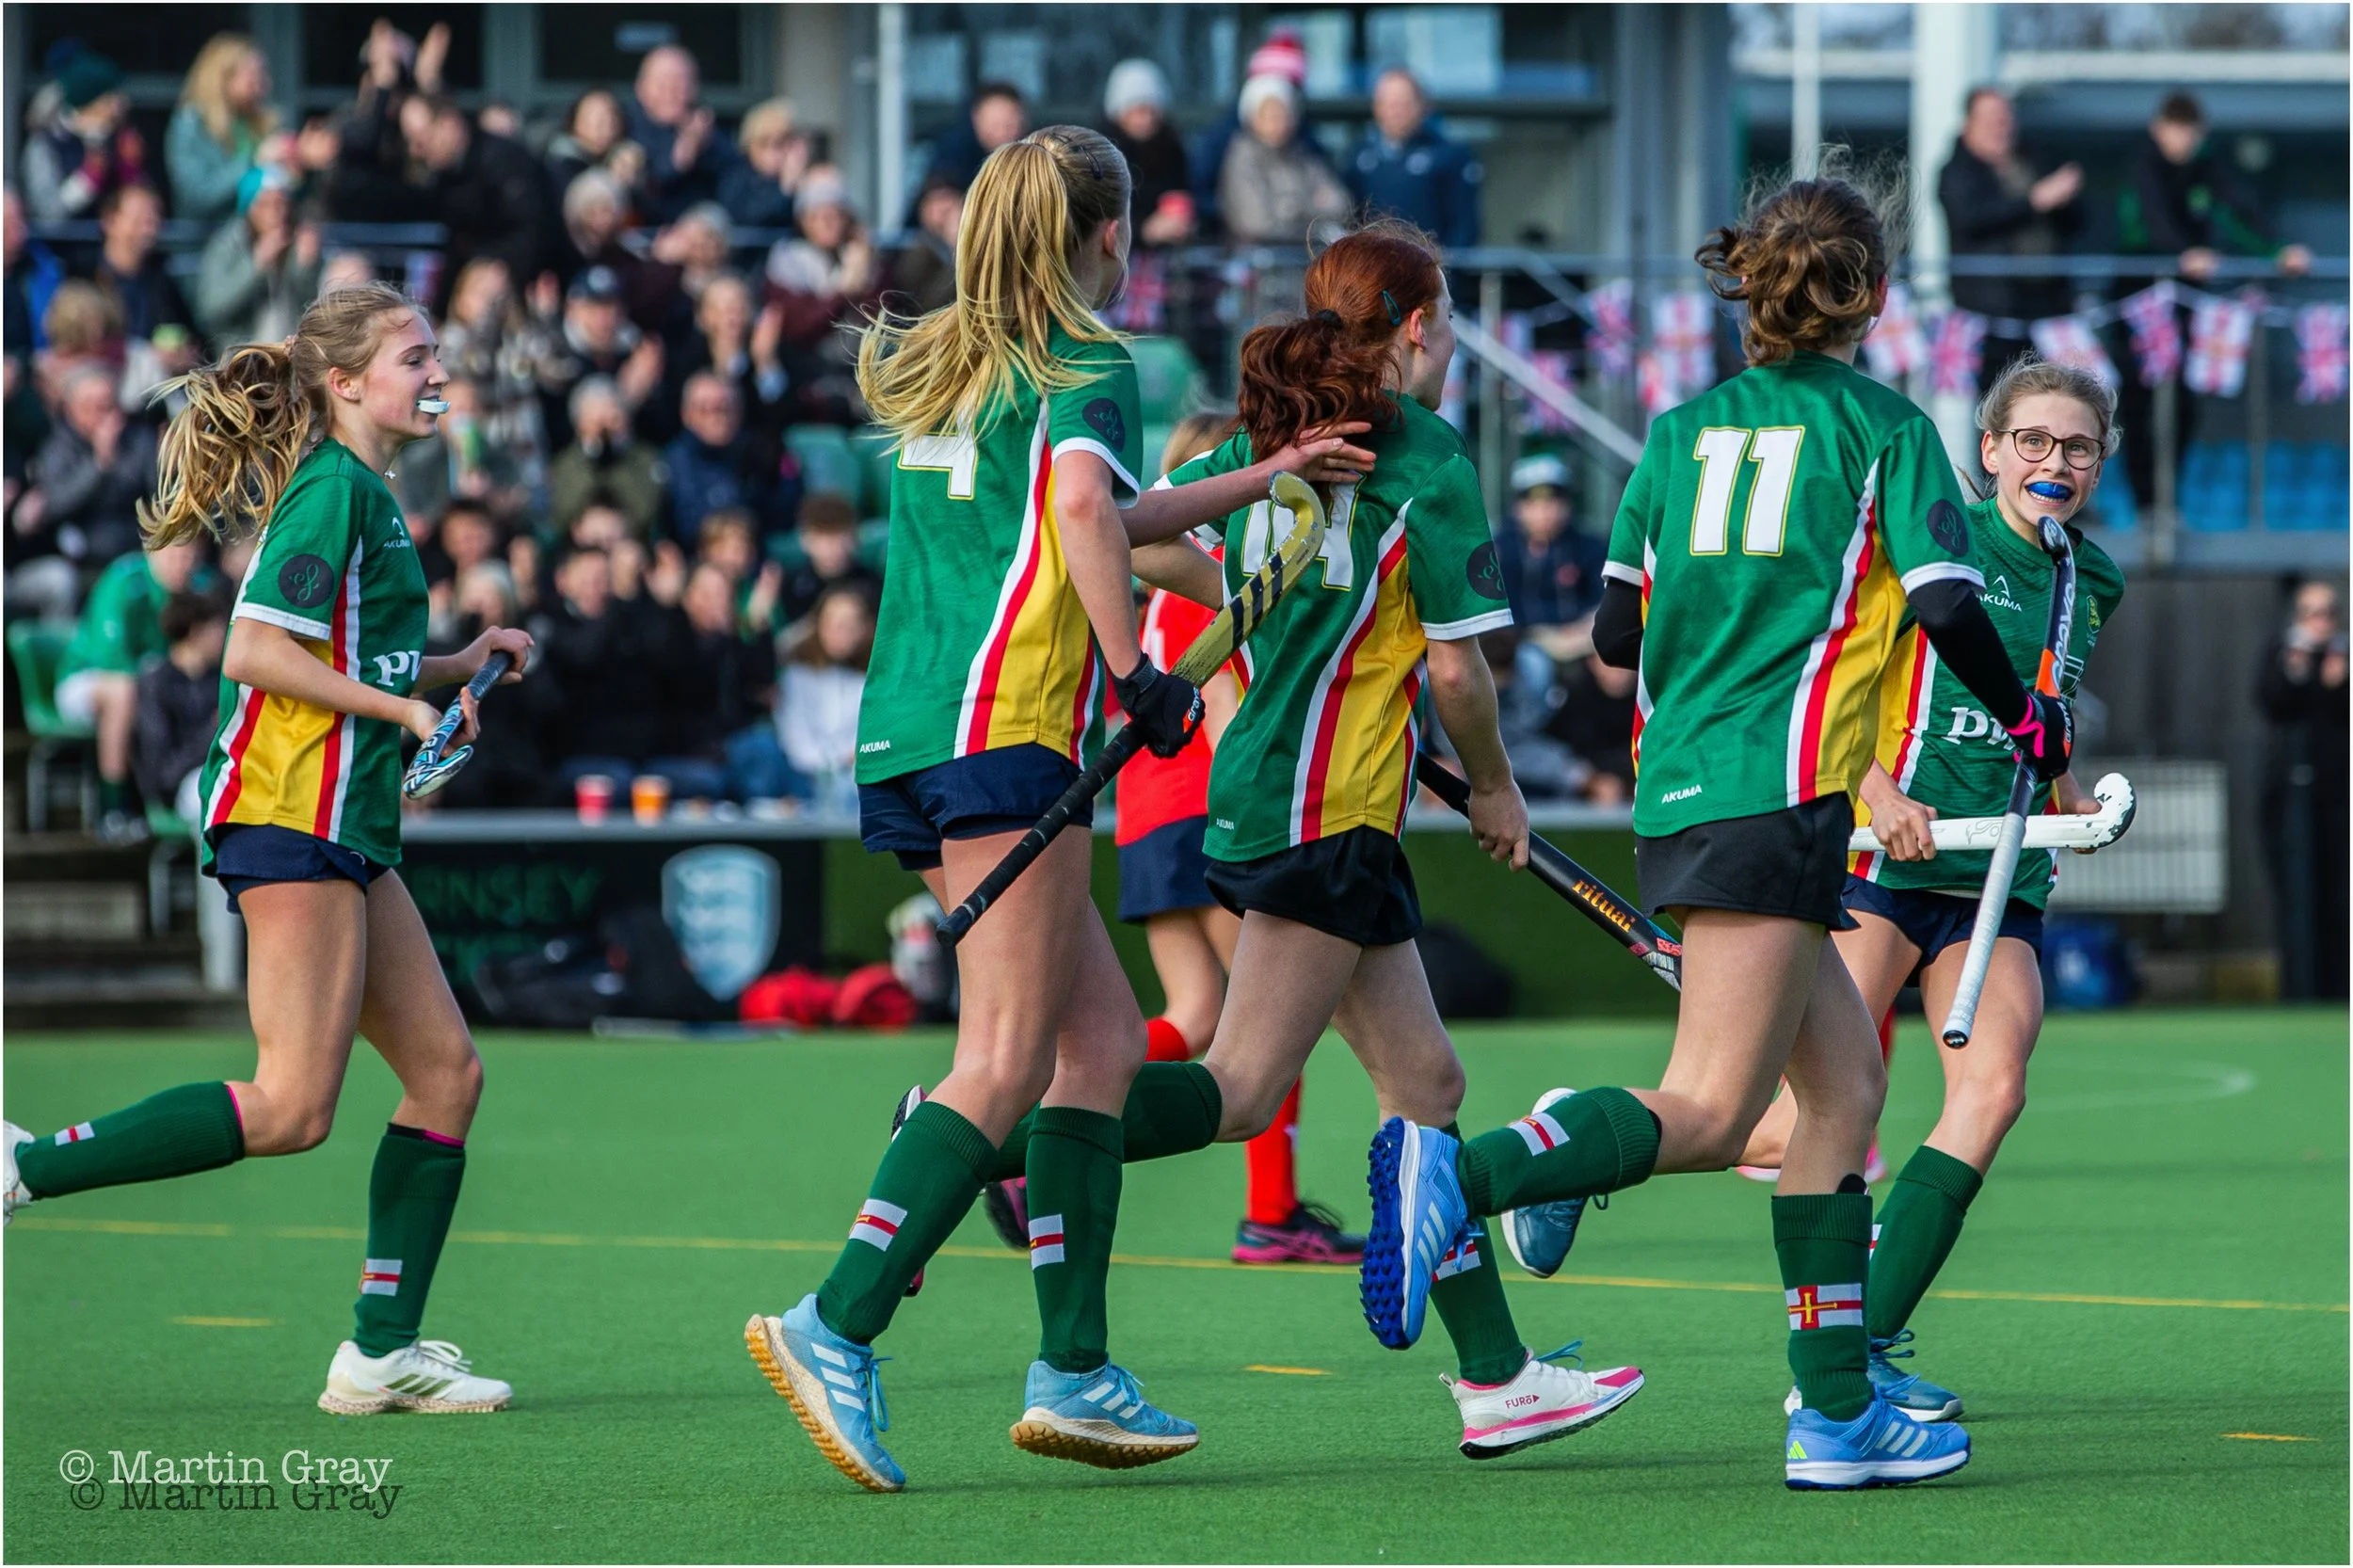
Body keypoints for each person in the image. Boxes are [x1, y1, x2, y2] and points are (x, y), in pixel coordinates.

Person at [746, 124, 1374, 1494]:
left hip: (909, 731)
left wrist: (1268, 480)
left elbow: (1104, 508)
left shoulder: (947, 367)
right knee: (1009, 1056)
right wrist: (1138, 668)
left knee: (1095, 1048)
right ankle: (835, 1321)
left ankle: (1076, 1366)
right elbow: (1090, 514)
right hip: (1006, 731)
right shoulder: (1091, 362)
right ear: (1107, 235)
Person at [1422, 171, 2073, 1490]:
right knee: (1718, 1108)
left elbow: (1615, 636)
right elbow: (1949, 609)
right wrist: (2031, 720)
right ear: (1875, 298)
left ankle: (1836, 1413)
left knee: (1844, 1092)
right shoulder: (1888, 430)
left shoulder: (1674, 432)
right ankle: (1460, 1178)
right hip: (1776, 795)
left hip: (1682, 787)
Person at [2, 281, 536, 1420]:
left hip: (342, 819)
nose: (437, 372)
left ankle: (379, 1355)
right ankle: (21, 1166)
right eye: (416, 355)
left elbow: (354, 654)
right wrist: (399, 716)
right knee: (293, 1106)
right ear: (345, 383)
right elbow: (252, 649)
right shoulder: (333, 491)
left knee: (447, 1075)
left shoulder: (370, 493)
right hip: (293, 811)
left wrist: (453, 667)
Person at [1734, 355, 2126, 1424]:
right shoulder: (1929, 537)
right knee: (1782, 1117)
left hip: (1997, 874)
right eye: (2033, 442)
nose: (2055, 462)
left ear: (2101, 462)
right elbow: (1826, 676)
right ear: (1991, 449)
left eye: (2077, 446)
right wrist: (1870, 786)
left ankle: (1862, 1347)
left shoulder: (2090, 580)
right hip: (1878, 859)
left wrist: (2070, 801)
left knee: (1992, 1088)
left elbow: (2039, 715)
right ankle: (1587, 1148)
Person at [1117, 410, 1364, 1266]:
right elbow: (1227, 709)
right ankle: (1271, 1213)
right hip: (1202, 805)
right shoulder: (1219, 573)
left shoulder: (1159, 582)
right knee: (1275, 1016)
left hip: (1145, 814)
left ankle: (1030, 1111)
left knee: (1194, 1015)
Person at [2116, 90, 2314, 511]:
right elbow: (2148, 222)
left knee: (2185, 401)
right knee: (2138, 400)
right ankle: (2142, 500)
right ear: (2158, 130)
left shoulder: (2207, 169)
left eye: (2190, 133)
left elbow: (2238, 211)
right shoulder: (2142, 168)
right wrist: (2179, 255)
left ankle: (2165, 495)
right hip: (2137, 302)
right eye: (2176, 132)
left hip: (2185, 302)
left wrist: (2278, 250)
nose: (2182, 142)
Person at [55, 535, 202, 840]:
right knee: (126, 691)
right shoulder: (125, 580)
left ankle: (153, 802)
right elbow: (113, 660)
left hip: (146, 682)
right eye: (176, 554)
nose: (183, 563)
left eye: (190, 555)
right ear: (155, 550)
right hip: (86, 679)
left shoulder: (196, 585)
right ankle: (113, 808)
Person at [1938, 87, 2084, 389]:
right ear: (1969, 124)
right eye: (1991, 118)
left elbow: (2077, 223)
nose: (2001, 126)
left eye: (2005, 117)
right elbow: (1973, 218)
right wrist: (2035, 201)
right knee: (2000, 402)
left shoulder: (2036, 159)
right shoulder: (1956, 171)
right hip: (1990, 314)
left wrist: (2065, 199)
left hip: (2047, 307)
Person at [2256, 579, 2349, 1000]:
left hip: (2338, 798)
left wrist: (2337, 685)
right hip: (2290, 797)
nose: (2320, 622)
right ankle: (2300, 988)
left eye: (2327, 612)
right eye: (2311, 613)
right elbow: (2271, 701)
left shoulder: (2343, 657)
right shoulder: (2282, 654)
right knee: (2297, 893)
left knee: (2339, 895)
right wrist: (2298, 673)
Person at [398, 96, 555, 307]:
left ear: (448, 124)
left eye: (422, 139)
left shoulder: (504, 160)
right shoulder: (447, 175)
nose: (415, 151)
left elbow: (531, 232)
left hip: (527, 288)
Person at [38, 361, 159, 573]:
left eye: (109, 405)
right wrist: (99, 464)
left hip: (140, 547)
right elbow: (56, 506)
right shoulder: (56, 448)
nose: (103, 415)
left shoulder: (139, 440)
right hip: (85, 557)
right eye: (92, 407)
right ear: (71, 409)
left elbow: (158, 494)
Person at [1346, 71, 1483, 250]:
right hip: (1374, 268)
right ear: (1377, 108)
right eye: (1390, 104)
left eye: (1404, 104)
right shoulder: (1359, 157)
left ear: (1422, 106)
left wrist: (1447, 270)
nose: (1396, 111)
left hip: (1430, 267)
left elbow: (1465, 225)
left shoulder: (1449, 155)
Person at [194, 168, 323, 355]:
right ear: (249, 208)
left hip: (290, 354)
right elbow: (212, 310)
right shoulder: (226, 246)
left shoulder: (298, 241)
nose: (276, 212)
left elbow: (310, 307)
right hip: (240, 356)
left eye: (282, 203)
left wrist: (306, 267)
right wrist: (256, 266)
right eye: (266, 204)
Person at [1218, 73, 1353, 246]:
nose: (1279, 122)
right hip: (1259, 259)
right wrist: (1312, 209)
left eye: (1284, 113)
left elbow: (1342, 204)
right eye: (1270, 115)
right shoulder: (1241, 159)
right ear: (1253, 119)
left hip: (1305, 255)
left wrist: (1289, 209)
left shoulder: (1303, 155)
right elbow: (1256, 225)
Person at [134, 587, 231, 825]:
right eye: (217, 629)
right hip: (180, 788)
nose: (224, 636)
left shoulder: (220, 680)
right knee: (216, 795)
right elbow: (163, 772)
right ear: (197, 632)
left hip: (221, 772)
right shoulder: (155, 685)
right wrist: (213, 731)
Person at [776, 581, 872, 811]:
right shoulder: (796, 675)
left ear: (865, 629)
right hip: (802, 775)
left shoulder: (871, 680)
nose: (840, 630)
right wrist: (838, 760)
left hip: (854, 777)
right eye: (833, 622)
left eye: (850, 624)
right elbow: (796, 744)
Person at [166, 34, 282, 224]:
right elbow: (198, 197)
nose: (264, 85)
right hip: (206, 246)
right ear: (223, 77)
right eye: (254, 76)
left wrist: (301, 163)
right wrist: (253, 161)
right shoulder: (191, 124)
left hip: (260, 245)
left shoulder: (261, 125)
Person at [22, 50, 147, 224]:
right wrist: (89, 177)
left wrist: (131, 170)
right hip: (61, 248)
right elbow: (48, 214)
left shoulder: (119, 139)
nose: (119, 107)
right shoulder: (46, 145)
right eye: (110, 99)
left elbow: (142, 206)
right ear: (89, 102)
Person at [664, 371, 787, 547]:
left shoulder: (759, 452)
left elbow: (782, 513)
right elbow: (688, 526)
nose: (717, 418)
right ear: (686, 415)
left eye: (724, 408)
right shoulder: (675, 460)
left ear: (739, 412)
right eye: (705, 409)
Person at [626, 46, 739, 226]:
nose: (670, 91)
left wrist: (703, 146)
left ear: (695, 88)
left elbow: (735, 188)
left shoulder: (712, 135)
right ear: (641, 88)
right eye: (662, 83)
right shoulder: (623, 130)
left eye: (680, 81)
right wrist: (682, 156)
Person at [544, 375, 666, 539]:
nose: (605, 428)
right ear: (579, 424)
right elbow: (565, 512)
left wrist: (615, 456)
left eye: (612, 418)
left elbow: (645, 511)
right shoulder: (565, 464)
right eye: (596, 420)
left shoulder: (645, 458)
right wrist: (594, 457)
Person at [1101, 61, 1194, 248]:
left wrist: (1182, 220)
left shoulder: (1172, 148)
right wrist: (1144, 230)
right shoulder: (1101, 154)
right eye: (1138, 110)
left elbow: (1182, 193)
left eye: (1151, 110)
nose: (1146, 119)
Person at [776, 490, 881, 627]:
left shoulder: (874, 585)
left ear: (855, 538)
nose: (834, 549)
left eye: (841, 538)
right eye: (825, 540)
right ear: (805, 540)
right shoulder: (790, 586)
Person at [917, 84, 1028, 212]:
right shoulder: (954, 151)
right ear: (976, 119)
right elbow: (935, 205)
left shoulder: (1036, 156)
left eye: (1009, 125)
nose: (1002, 133)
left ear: (1023, 120)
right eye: (995, 125)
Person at [543, 88, 645, 208]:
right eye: (594, 116)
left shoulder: (627, 156)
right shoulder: (560, 166)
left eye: (611, 116)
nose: (604, 125)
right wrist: (613, 180)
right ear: (574, 120)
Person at [724, 98, 810, 231]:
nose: (774, 153)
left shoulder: (806, 180)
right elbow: (751, 219)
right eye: (765, 143)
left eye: (781, 143)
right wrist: (785, 189)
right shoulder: (737, 178)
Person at [889, 180, 964, 316]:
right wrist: (958, 248)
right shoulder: (917, 253)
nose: (945, 208)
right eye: (938, 200)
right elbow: (931, 306)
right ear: (924, 210)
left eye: (950, 198)